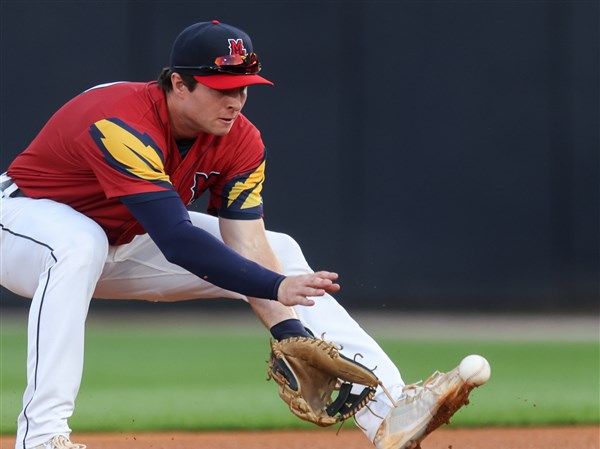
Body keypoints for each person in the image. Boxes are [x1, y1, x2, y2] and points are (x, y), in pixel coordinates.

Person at [0, 20, 487, 449]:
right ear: (177, 84)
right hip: (21, 224)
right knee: (78, 243)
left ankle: (389, 413)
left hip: (120, 241)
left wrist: (289, 330)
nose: (235, 100)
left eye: (244, 87)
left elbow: (248, 243)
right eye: (221, 87)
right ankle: (42, 437)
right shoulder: (121, 121)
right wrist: (273, 287)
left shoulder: (241, 140)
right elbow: (176, 239)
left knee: (283, 250)